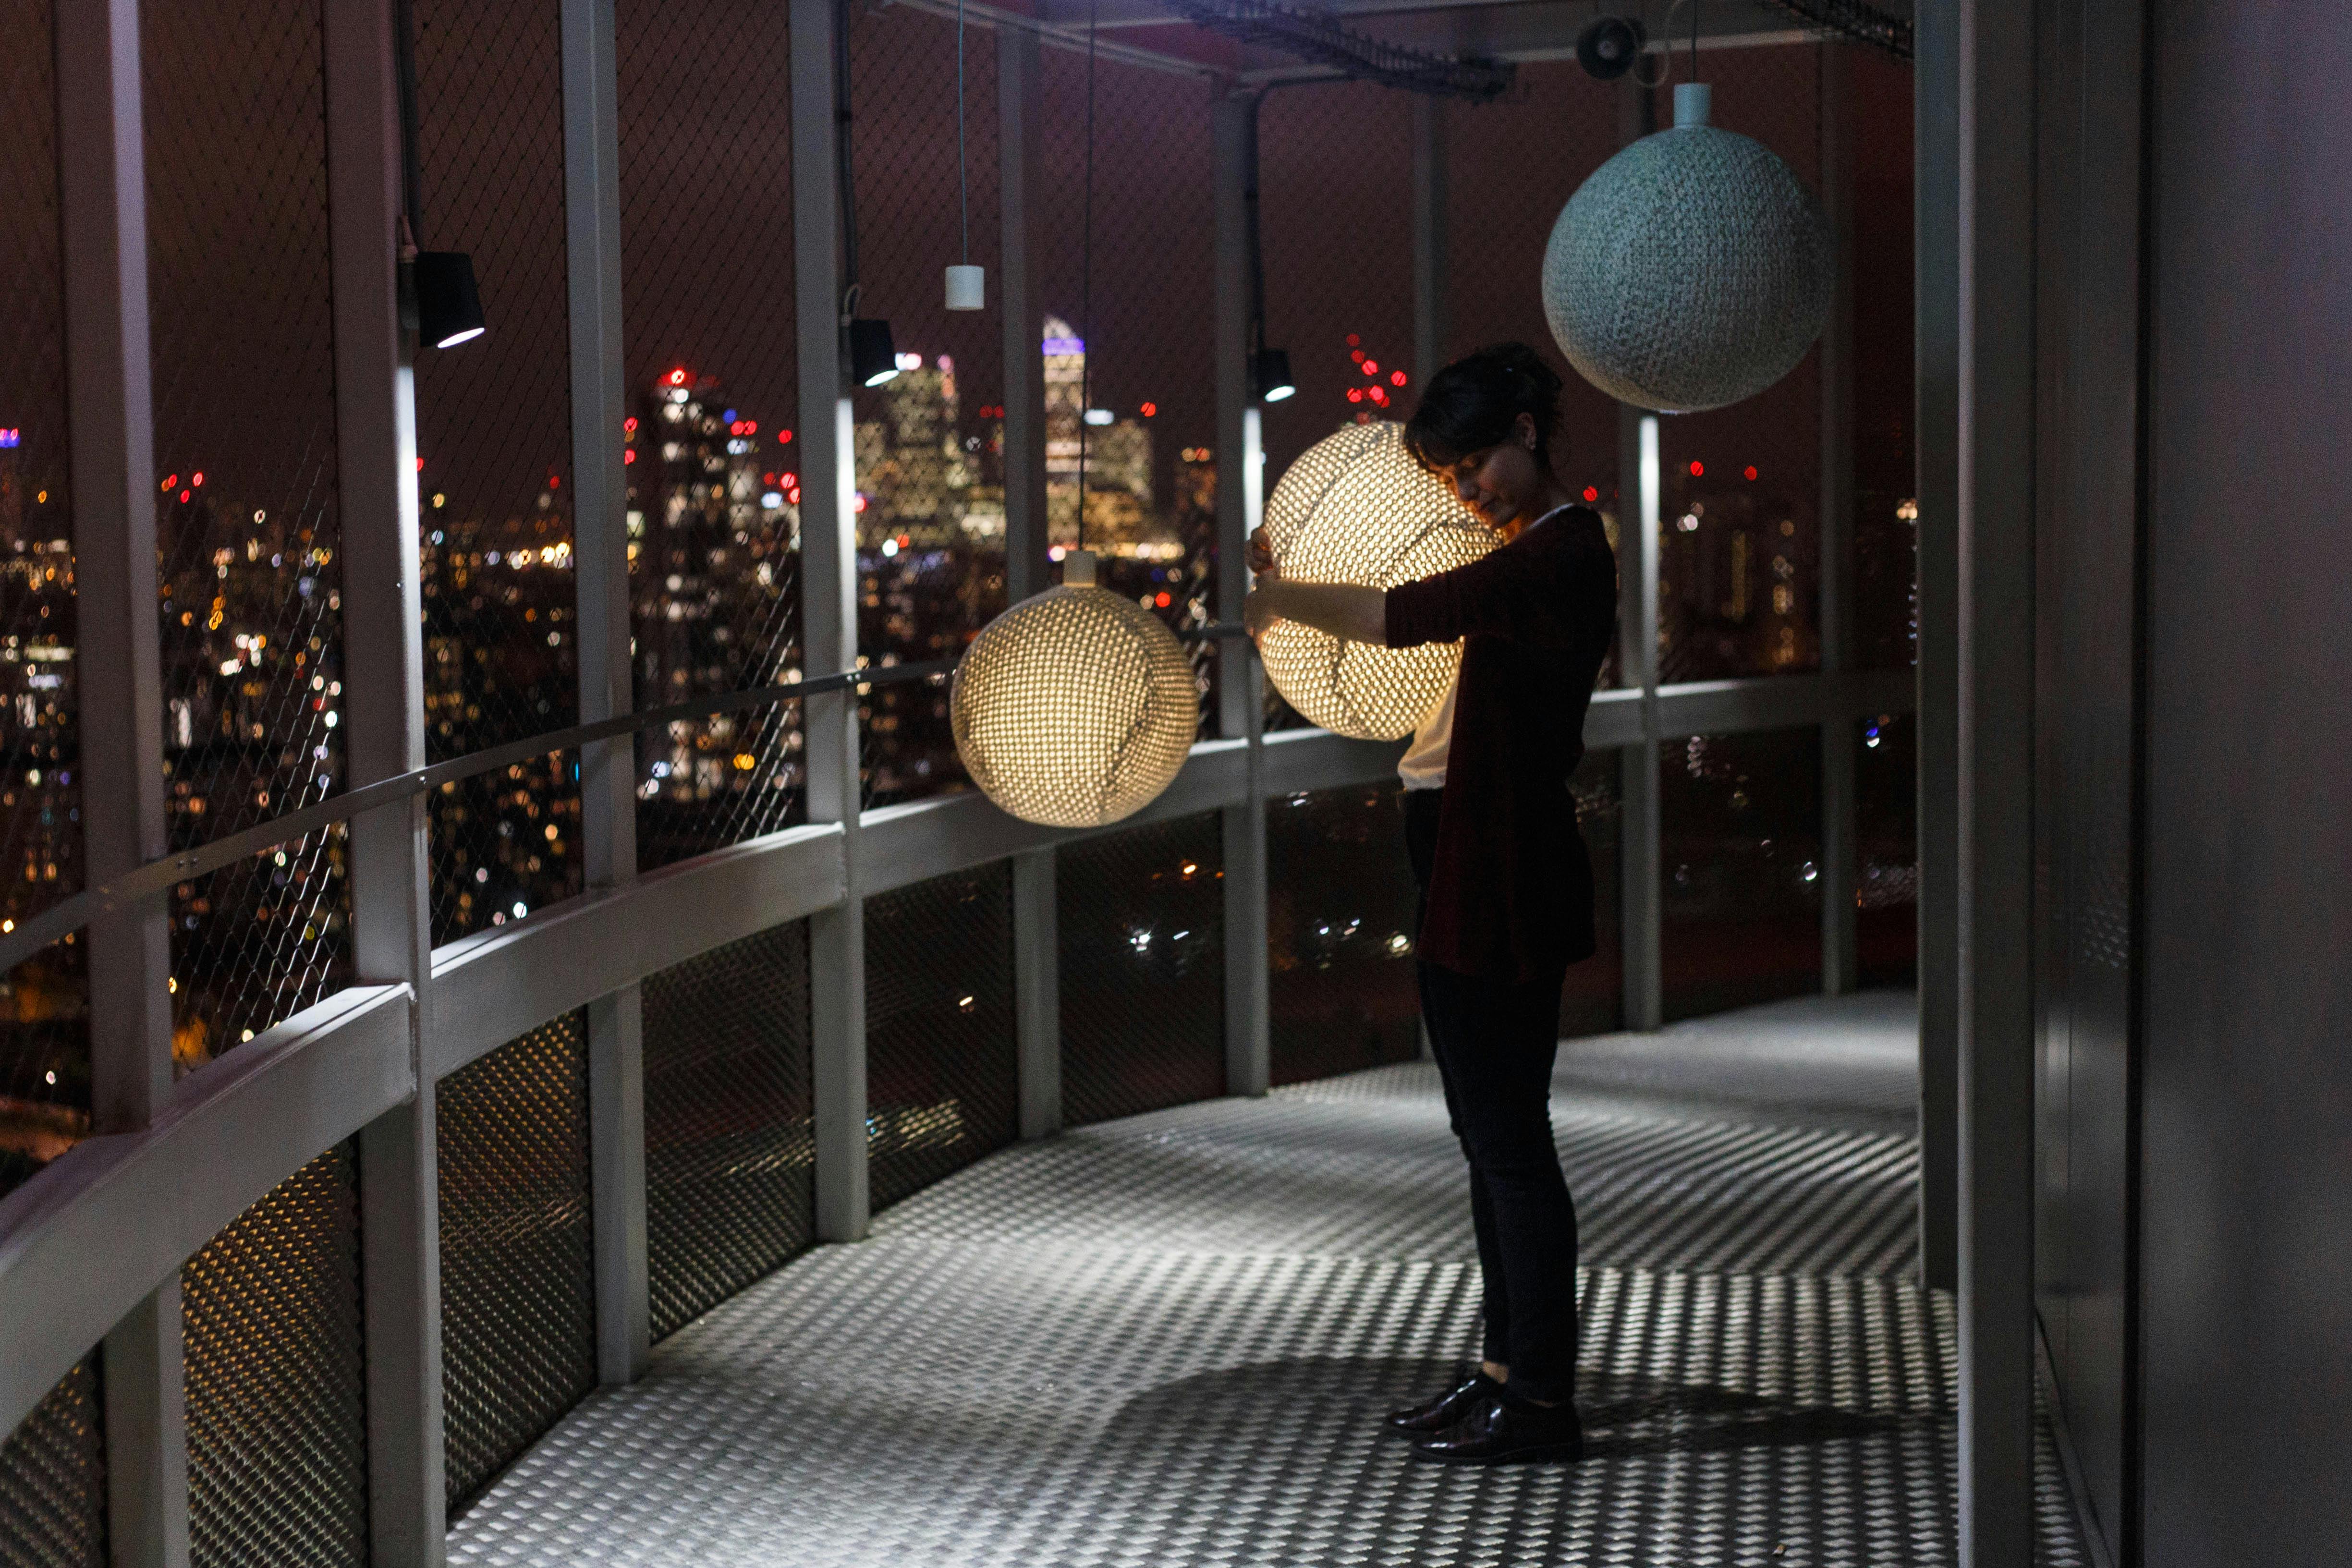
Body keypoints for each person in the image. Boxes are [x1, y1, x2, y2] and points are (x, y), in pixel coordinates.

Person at [1242, 343, 1618, 1465]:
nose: (1466, 490)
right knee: (1485, 1133)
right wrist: (1289, 566)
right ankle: (1507, 1369)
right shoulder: (1522, 547)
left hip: (1500, 863)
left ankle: (1542, 1399)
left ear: (1528, 428)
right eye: (1450, 477)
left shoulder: (1559, 551)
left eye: (1473, 465)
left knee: (1509, 1142)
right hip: (1468, 849)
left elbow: (1399, 615)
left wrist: (1280, 594)